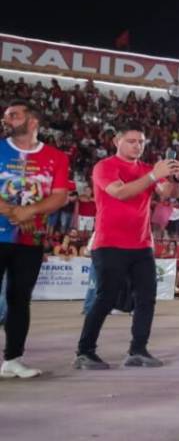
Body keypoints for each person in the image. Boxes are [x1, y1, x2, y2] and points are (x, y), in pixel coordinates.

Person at [74, 124, 179, 370]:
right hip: (109, 243)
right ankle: (84, 352)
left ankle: (138, 350)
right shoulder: (105, 167)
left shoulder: (147, 169)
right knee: (105, 298)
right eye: (132, 140)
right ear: (117, 141)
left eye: (141, 142)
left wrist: (178, 178)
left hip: (142, 244)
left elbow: (169, 193)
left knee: (146, 298)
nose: (137, 145)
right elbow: (120, 193)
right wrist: (154, 176)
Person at [0, 100, 71, 379]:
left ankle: (13, 359)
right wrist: (16, 211)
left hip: (30, 239)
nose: (7, 120)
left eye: (14, 115)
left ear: (32, 122)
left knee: (20, 299)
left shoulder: (56, 157)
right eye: (6, 116)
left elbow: (59, 195)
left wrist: (31, 210)